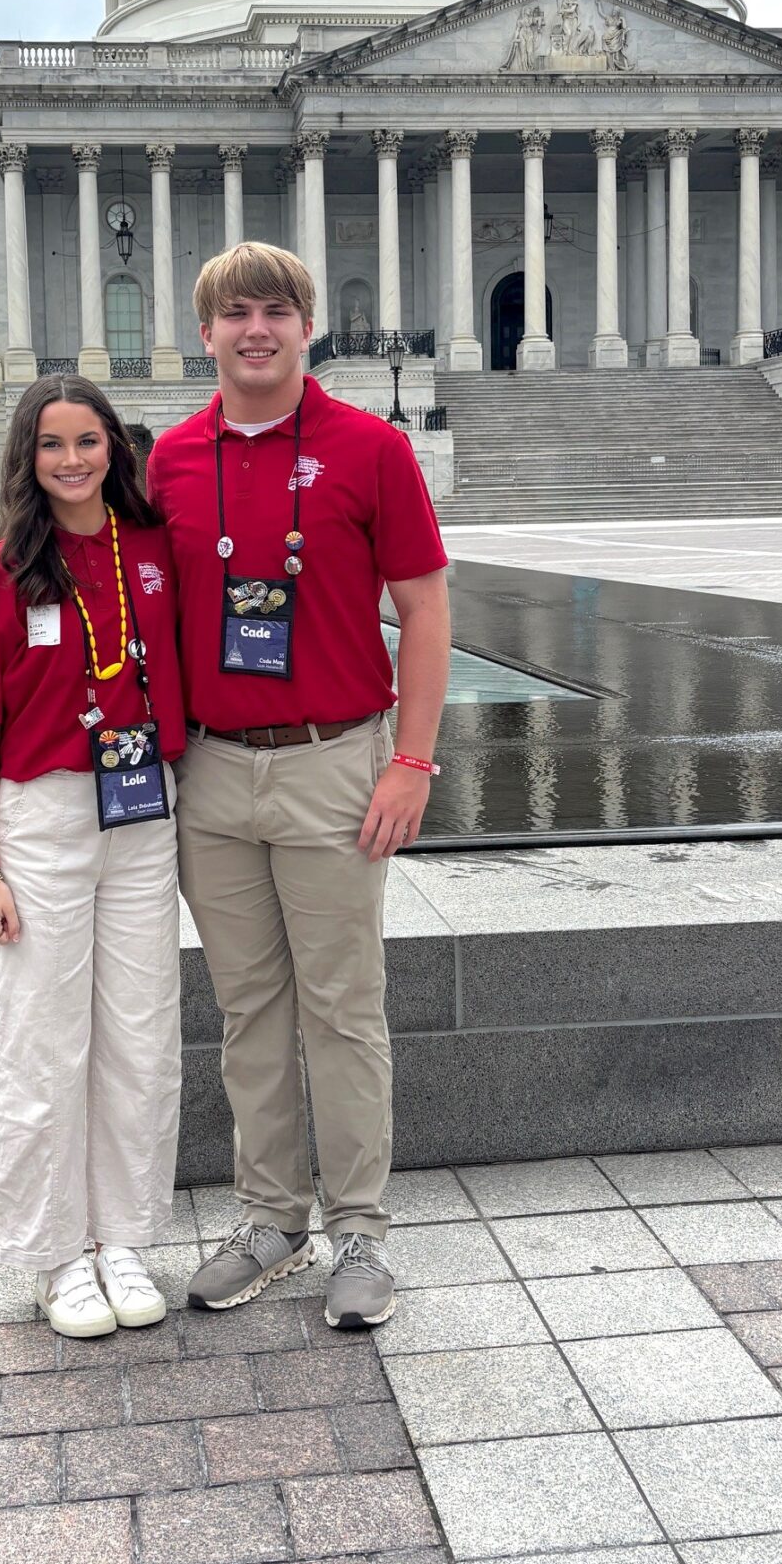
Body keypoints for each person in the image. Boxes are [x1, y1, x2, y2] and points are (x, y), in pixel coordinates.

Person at [148, 242, 451, 1330]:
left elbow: (424, 610)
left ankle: (360, 1228)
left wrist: (411, 759)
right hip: (214, 774)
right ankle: (271, 1218)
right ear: (207, 333)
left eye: (275, 310)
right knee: (248, 1012)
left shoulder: (371, 449)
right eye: (235, 314)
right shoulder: (172, 459)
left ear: (308, 324)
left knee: (344, 1006)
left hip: (334, 759)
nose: (255, 330)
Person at [0, 374, 186, 1339]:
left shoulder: (156, 552)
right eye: (53, 444)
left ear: (114, 450)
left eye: (89, 441)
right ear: (28, 458)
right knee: (42, 1044)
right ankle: (52, 1253)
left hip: (142, 814)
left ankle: (121, 1235)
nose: (75, 460)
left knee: (141, 1036)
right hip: (41, 820)